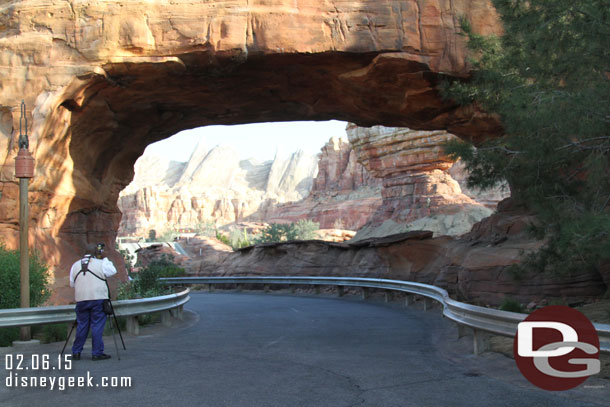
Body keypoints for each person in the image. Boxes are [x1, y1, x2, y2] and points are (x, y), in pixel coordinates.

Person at [69, 243, 117, 361]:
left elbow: (72, 283)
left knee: (82, 325)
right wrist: (104, 257)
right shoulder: (101, 263)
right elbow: (112, 271)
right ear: (96, 252)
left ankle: (76, 352)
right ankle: (97, 353)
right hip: (98, 298)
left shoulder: (75, 265)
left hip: (81, 299)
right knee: (97, 325)